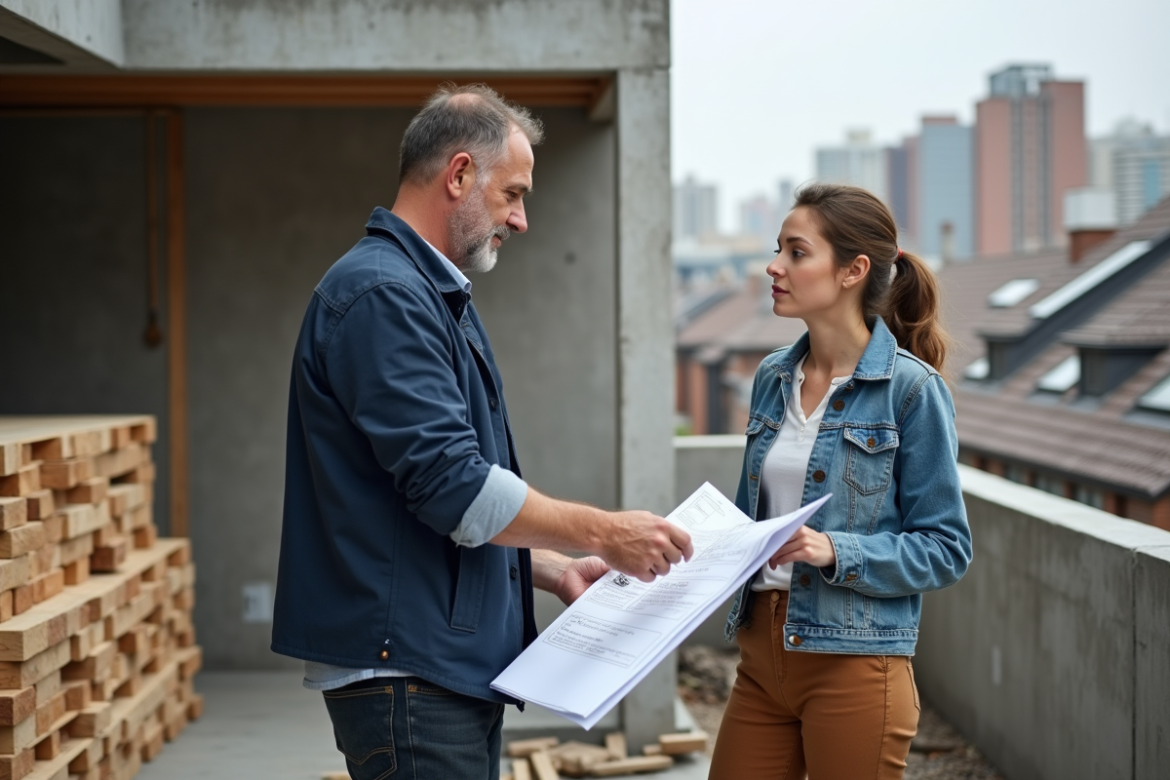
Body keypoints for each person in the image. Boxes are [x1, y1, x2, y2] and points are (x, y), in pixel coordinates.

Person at [271, 84, 693, 780]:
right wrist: (605, 532)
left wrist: (551, 569)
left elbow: (419, 506)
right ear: (460, 174)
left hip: (430, 669)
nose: (521, 219)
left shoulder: (422, 293)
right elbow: (457, 490)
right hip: (411, 675)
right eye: (513, 194)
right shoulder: (385, 296)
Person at [708, 183, 973, 780]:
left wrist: (835, 549)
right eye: (778, 249)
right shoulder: (772, 377)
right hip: (760, 657)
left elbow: (947, 549)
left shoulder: (912, 391)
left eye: (797, 252)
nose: (774, 266)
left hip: (855, 665)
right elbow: (752, 521)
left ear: (853, 271)